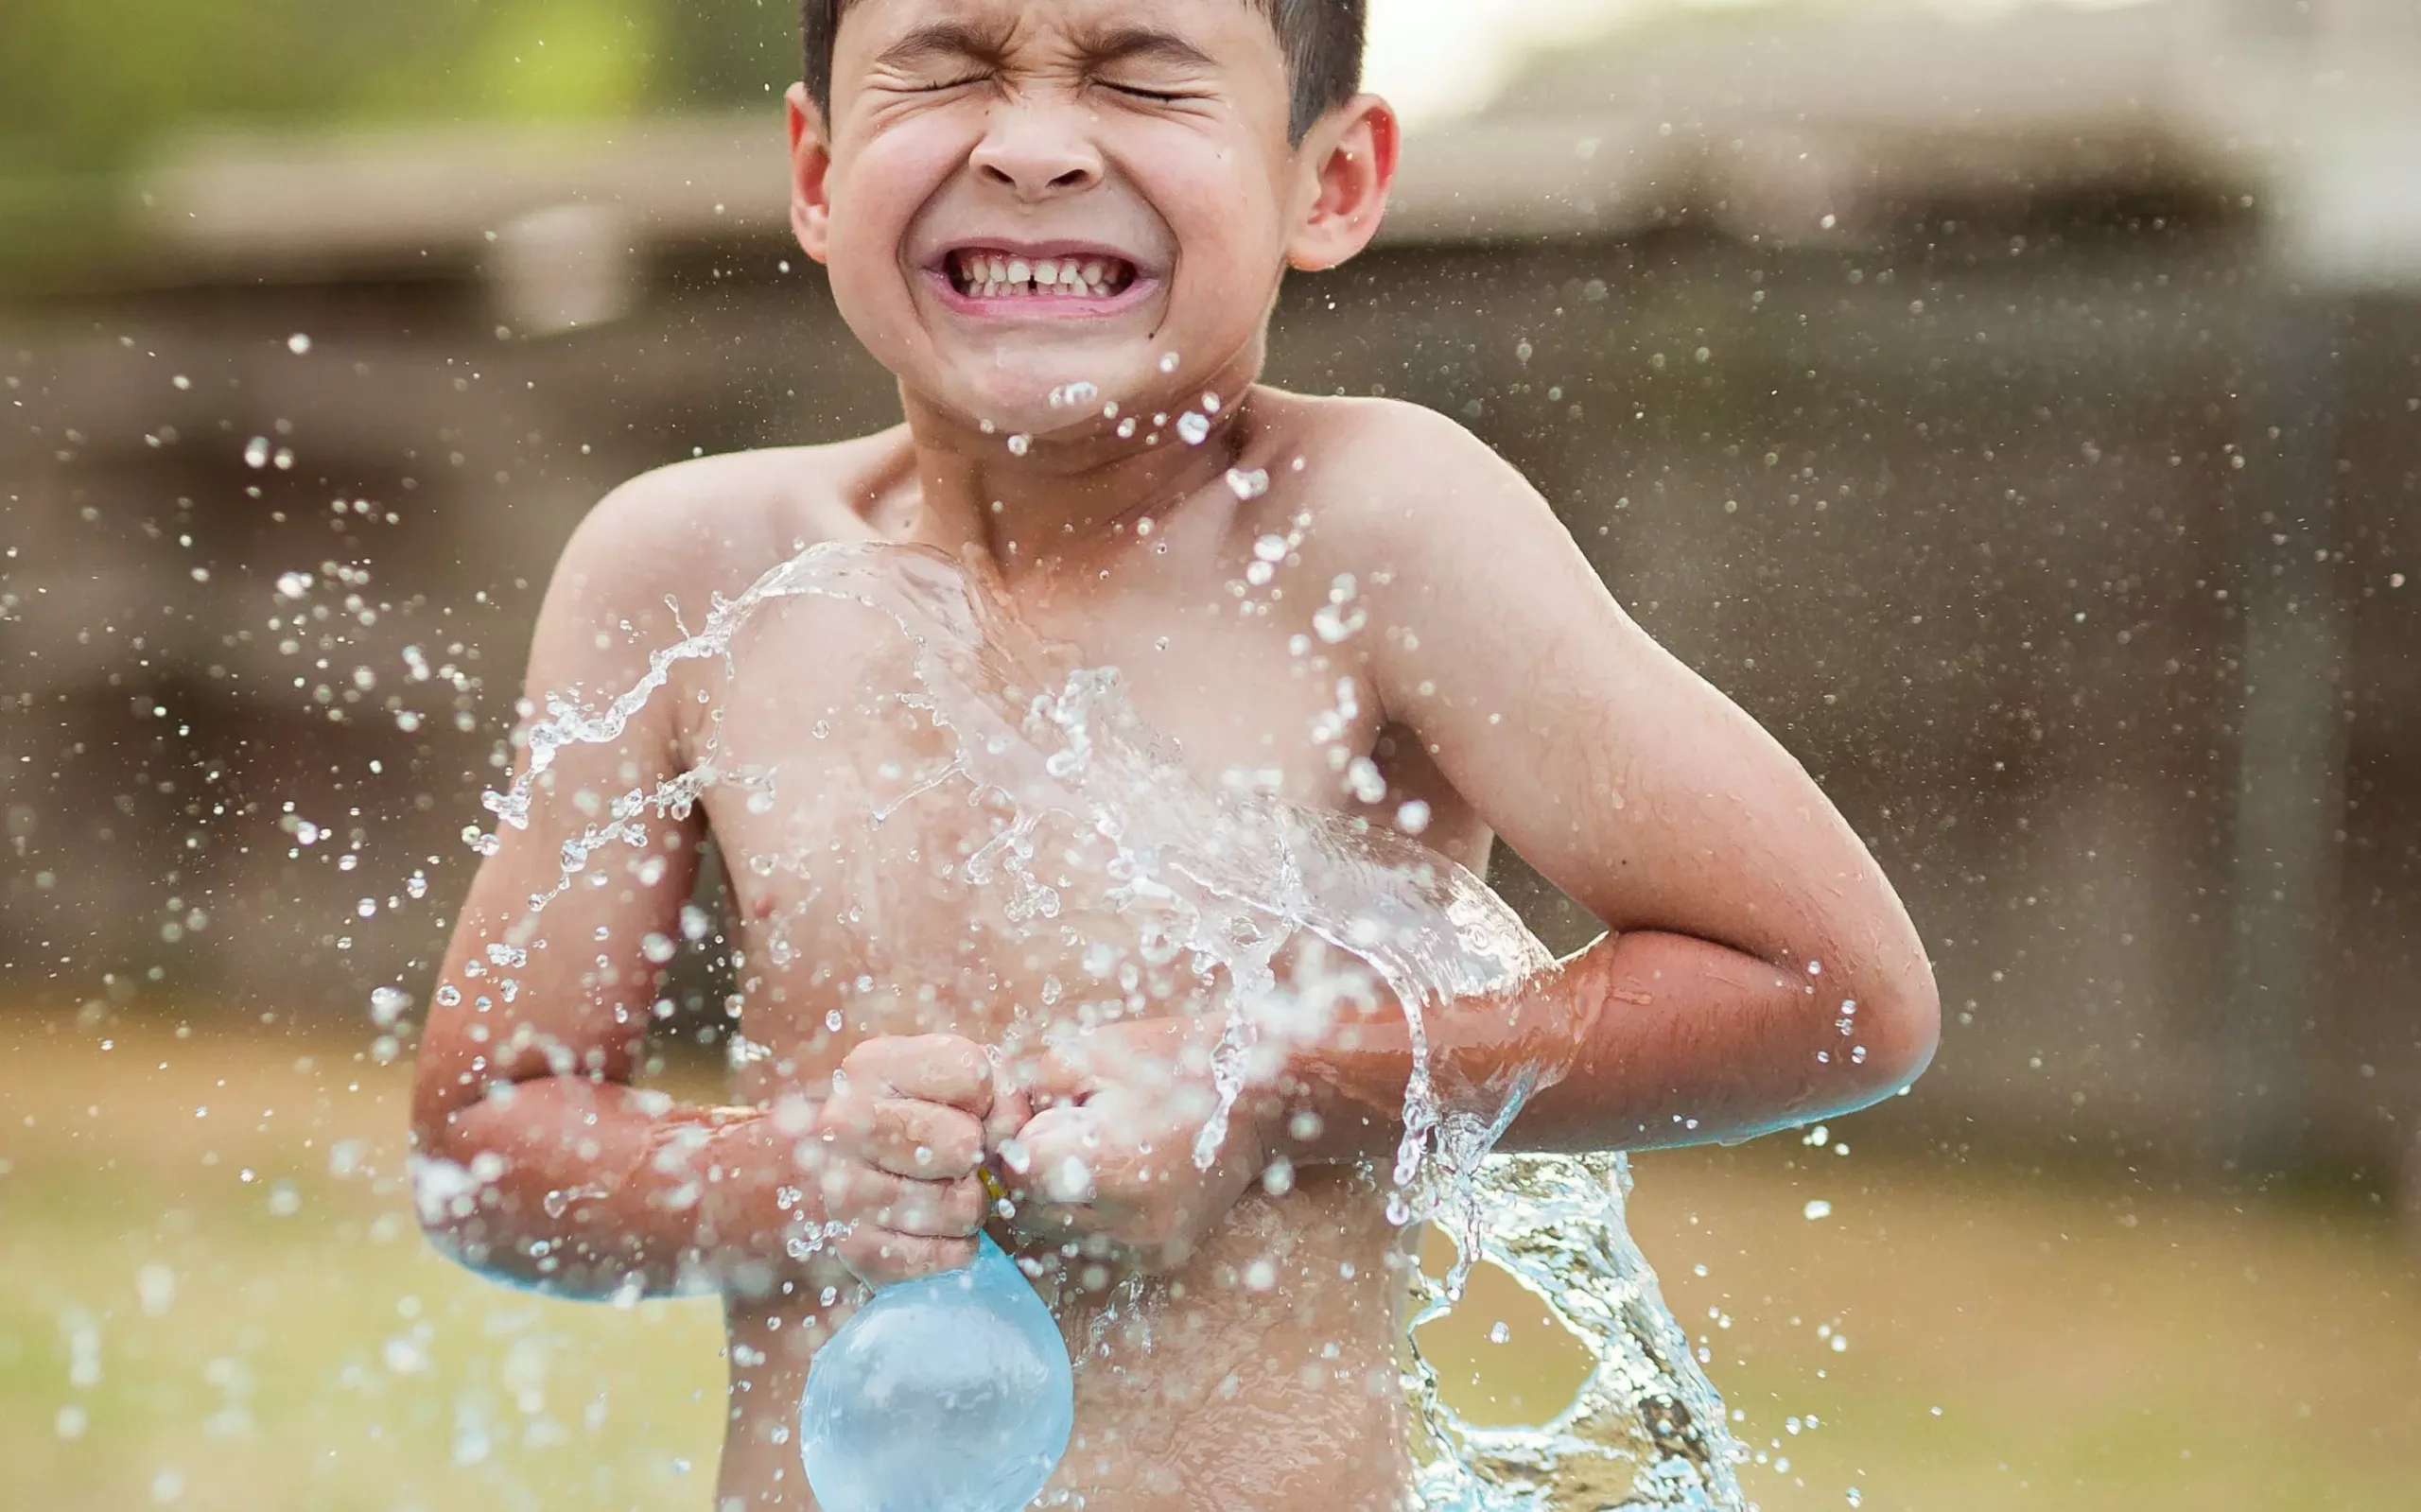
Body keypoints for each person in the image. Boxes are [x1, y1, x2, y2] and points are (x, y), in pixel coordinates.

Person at [409, 1, 1940, 1507]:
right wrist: (789, 1175)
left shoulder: (1377, 533)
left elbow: (1836, 990)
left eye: (1144, 83)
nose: (1034, 147)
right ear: (816, 169)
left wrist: (1270, 1089)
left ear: (1326, 183)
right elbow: (485, 1145)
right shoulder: (692, 568)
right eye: (947, 69)